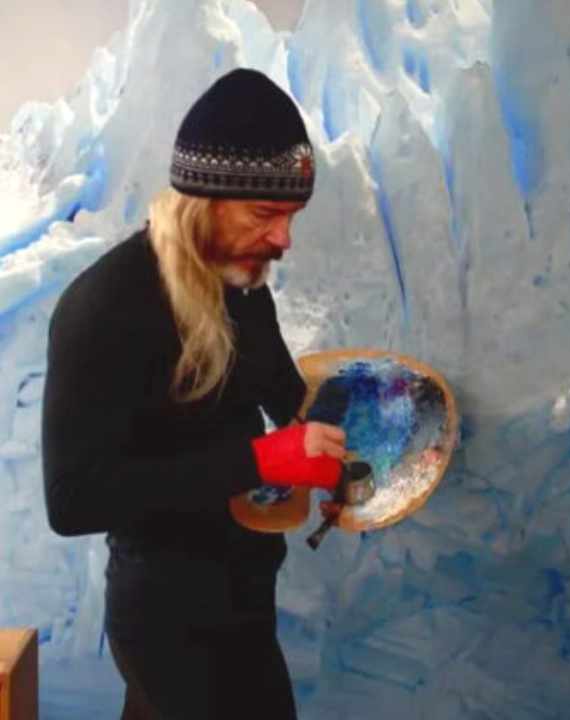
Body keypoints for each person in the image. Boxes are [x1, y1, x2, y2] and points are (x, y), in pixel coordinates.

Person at [40, 68, 346, 719]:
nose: (284, 240)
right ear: (204, 201)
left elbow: (281, 390)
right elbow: (73, 499)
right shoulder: (103, 307)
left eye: (291, 216)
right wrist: (263, 462)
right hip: (166, 621)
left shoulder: (240, 279)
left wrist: (358, 426)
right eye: (266, 214)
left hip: (243, 596)